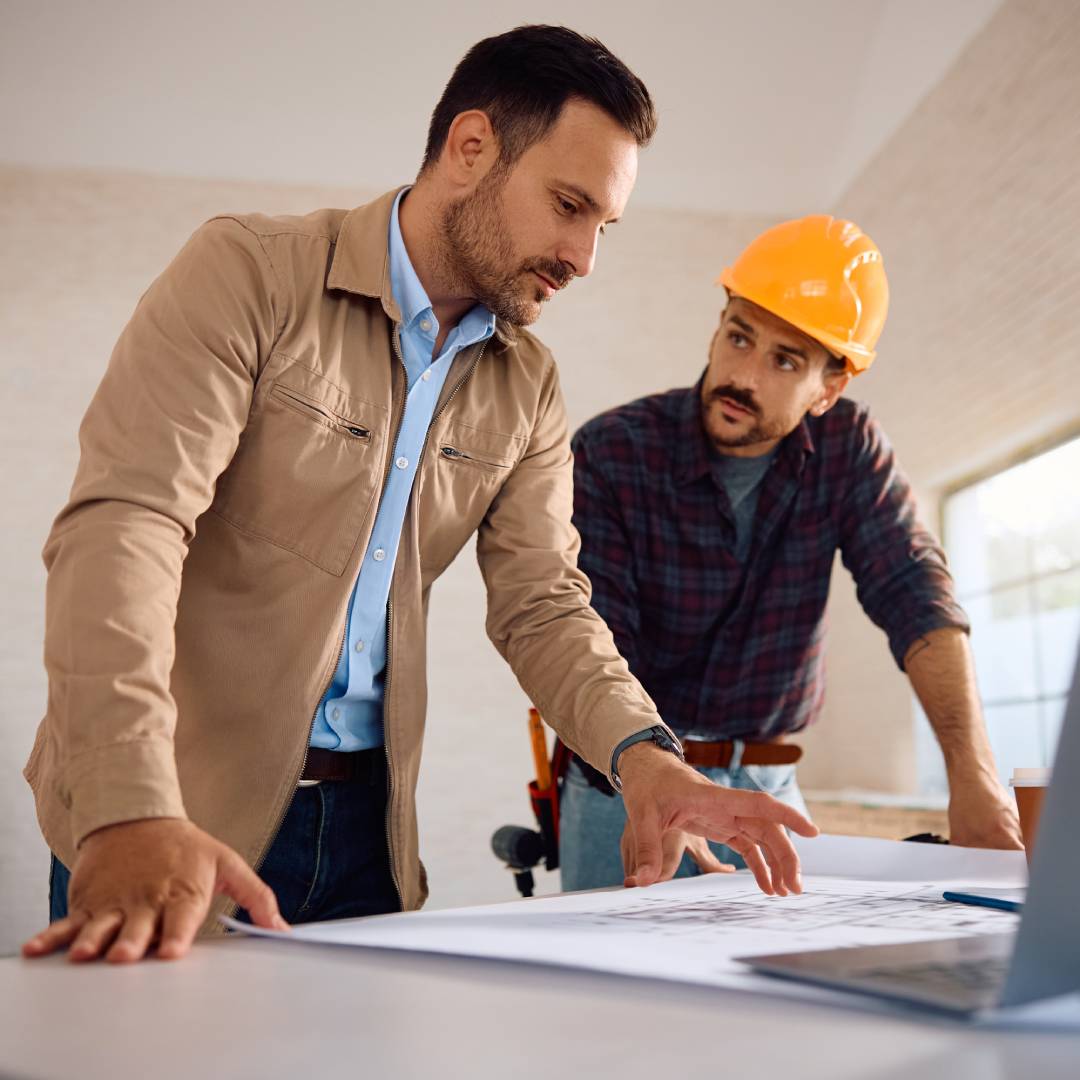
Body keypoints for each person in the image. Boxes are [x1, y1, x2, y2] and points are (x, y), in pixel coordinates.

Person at [22, 25, 817, 966]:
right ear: (470, 148)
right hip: (172, 811)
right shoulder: (249, 273)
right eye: (568, 206)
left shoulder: (530, 386)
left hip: (370, 842)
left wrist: (646, 760)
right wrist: (127, 803)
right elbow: (128, 527)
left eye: (602, 226)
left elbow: (544, 605)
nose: (583, 257)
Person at [559, 215, 1023, 891]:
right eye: (739, 337)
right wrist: (663, 776)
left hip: (767, 780)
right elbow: (598, 643)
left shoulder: (848, 449)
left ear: (829, 389)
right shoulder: (612, 451)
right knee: (609, 992)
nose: (742, 375)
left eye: (785, 360)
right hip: (628, 778)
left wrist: (974, 780)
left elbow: (914, 594)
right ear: (719, 323)